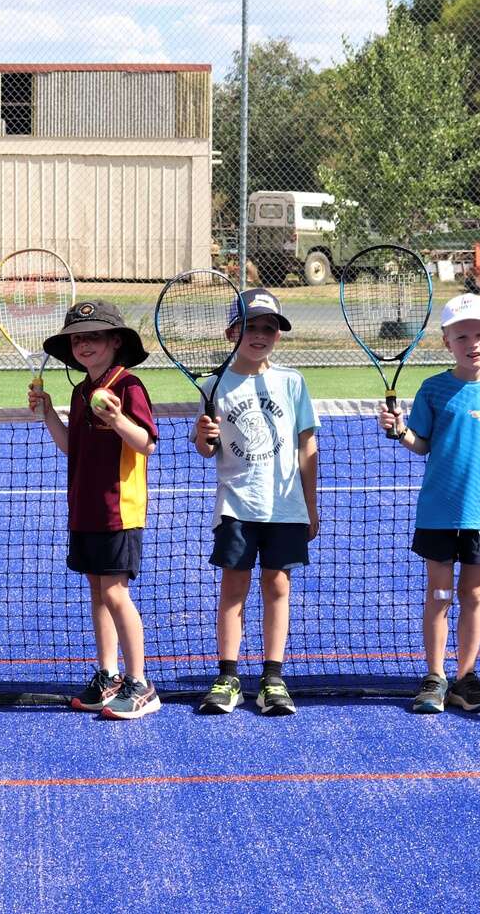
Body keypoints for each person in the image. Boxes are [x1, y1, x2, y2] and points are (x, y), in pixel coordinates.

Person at [380, 293, 480, 715]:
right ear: (447, 342)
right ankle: (435, 676)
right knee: (441, 593)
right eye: (462, 335)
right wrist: (400, 432)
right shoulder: (434, 390)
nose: (473, 343)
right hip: (438, 515)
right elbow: (421, 443)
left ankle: (465, 677)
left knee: (474, 593)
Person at [28, 299, 161, 719]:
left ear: (116, 341)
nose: (85, 345)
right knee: (98, 593)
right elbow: (72, 448)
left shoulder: (129, 386)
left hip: (118, 509)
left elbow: (146, 443)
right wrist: (50, 414)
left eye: (95, 336)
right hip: (84, 509)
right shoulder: (81, 390)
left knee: (116, 593)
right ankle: (109, 675)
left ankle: (140, 683)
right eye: (78, 338)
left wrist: (119, 419)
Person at [191, 288, 318, 716]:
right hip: (236, 504)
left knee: (278, 585)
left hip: (285, 507)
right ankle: (227, 677)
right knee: (234, 588)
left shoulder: (292, 382)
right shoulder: (214, 384)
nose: (260, 334)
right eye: (250, 326)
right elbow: (207, 449)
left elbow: (307, 447)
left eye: (269, 328)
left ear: (277, 336)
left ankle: (272, 678)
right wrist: (202, 438)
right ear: (232, 332)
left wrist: (311, 506)